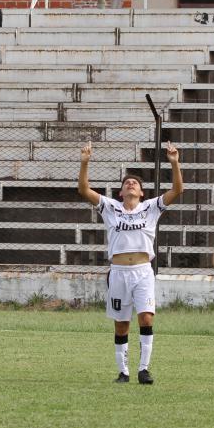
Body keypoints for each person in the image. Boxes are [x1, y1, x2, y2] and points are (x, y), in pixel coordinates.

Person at [78, 140, 184, 384]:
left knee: (146, 317)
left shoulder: (151, 207)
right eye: (127, 183)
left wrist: (175, 163)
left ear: (142, 192)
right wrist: (85, 163)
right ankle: (123, 372)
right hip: (118, 273)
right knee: (121, 324)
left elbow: (177, 190)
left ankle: (143, 369)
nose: (131, 184)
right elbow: (84, 190)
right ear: (121, 192)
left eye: (135, 182)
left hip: (142, 271)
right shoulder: (110, 207)